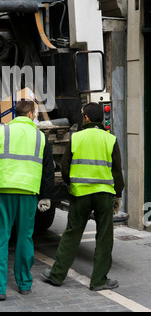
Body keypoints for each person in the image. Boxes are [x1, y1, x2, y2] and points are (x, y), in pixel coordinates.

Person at [0, 99, 54, 301]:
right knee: (25, 237)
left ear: (15, 114)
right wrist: (46, 196)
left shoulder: (2, 132)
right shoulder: (41, 138)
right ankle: (24, 284)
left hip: (4, 191)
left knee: (1, 238)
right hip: (28, 193)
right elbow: (48, 170)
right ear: (33, 114)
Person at [42, 102, 124, 291]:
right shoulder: (110, 139)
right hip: (104, 195)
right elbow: (117, 171)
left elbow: (65, 166)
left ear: (86, 117)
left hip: (80, 194)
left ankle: (57, 275)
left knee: (72, 234)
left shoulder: (76, 137)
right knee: (104, 237)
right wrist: (118, 195)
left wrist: (70, 183)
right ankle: (99, 281)